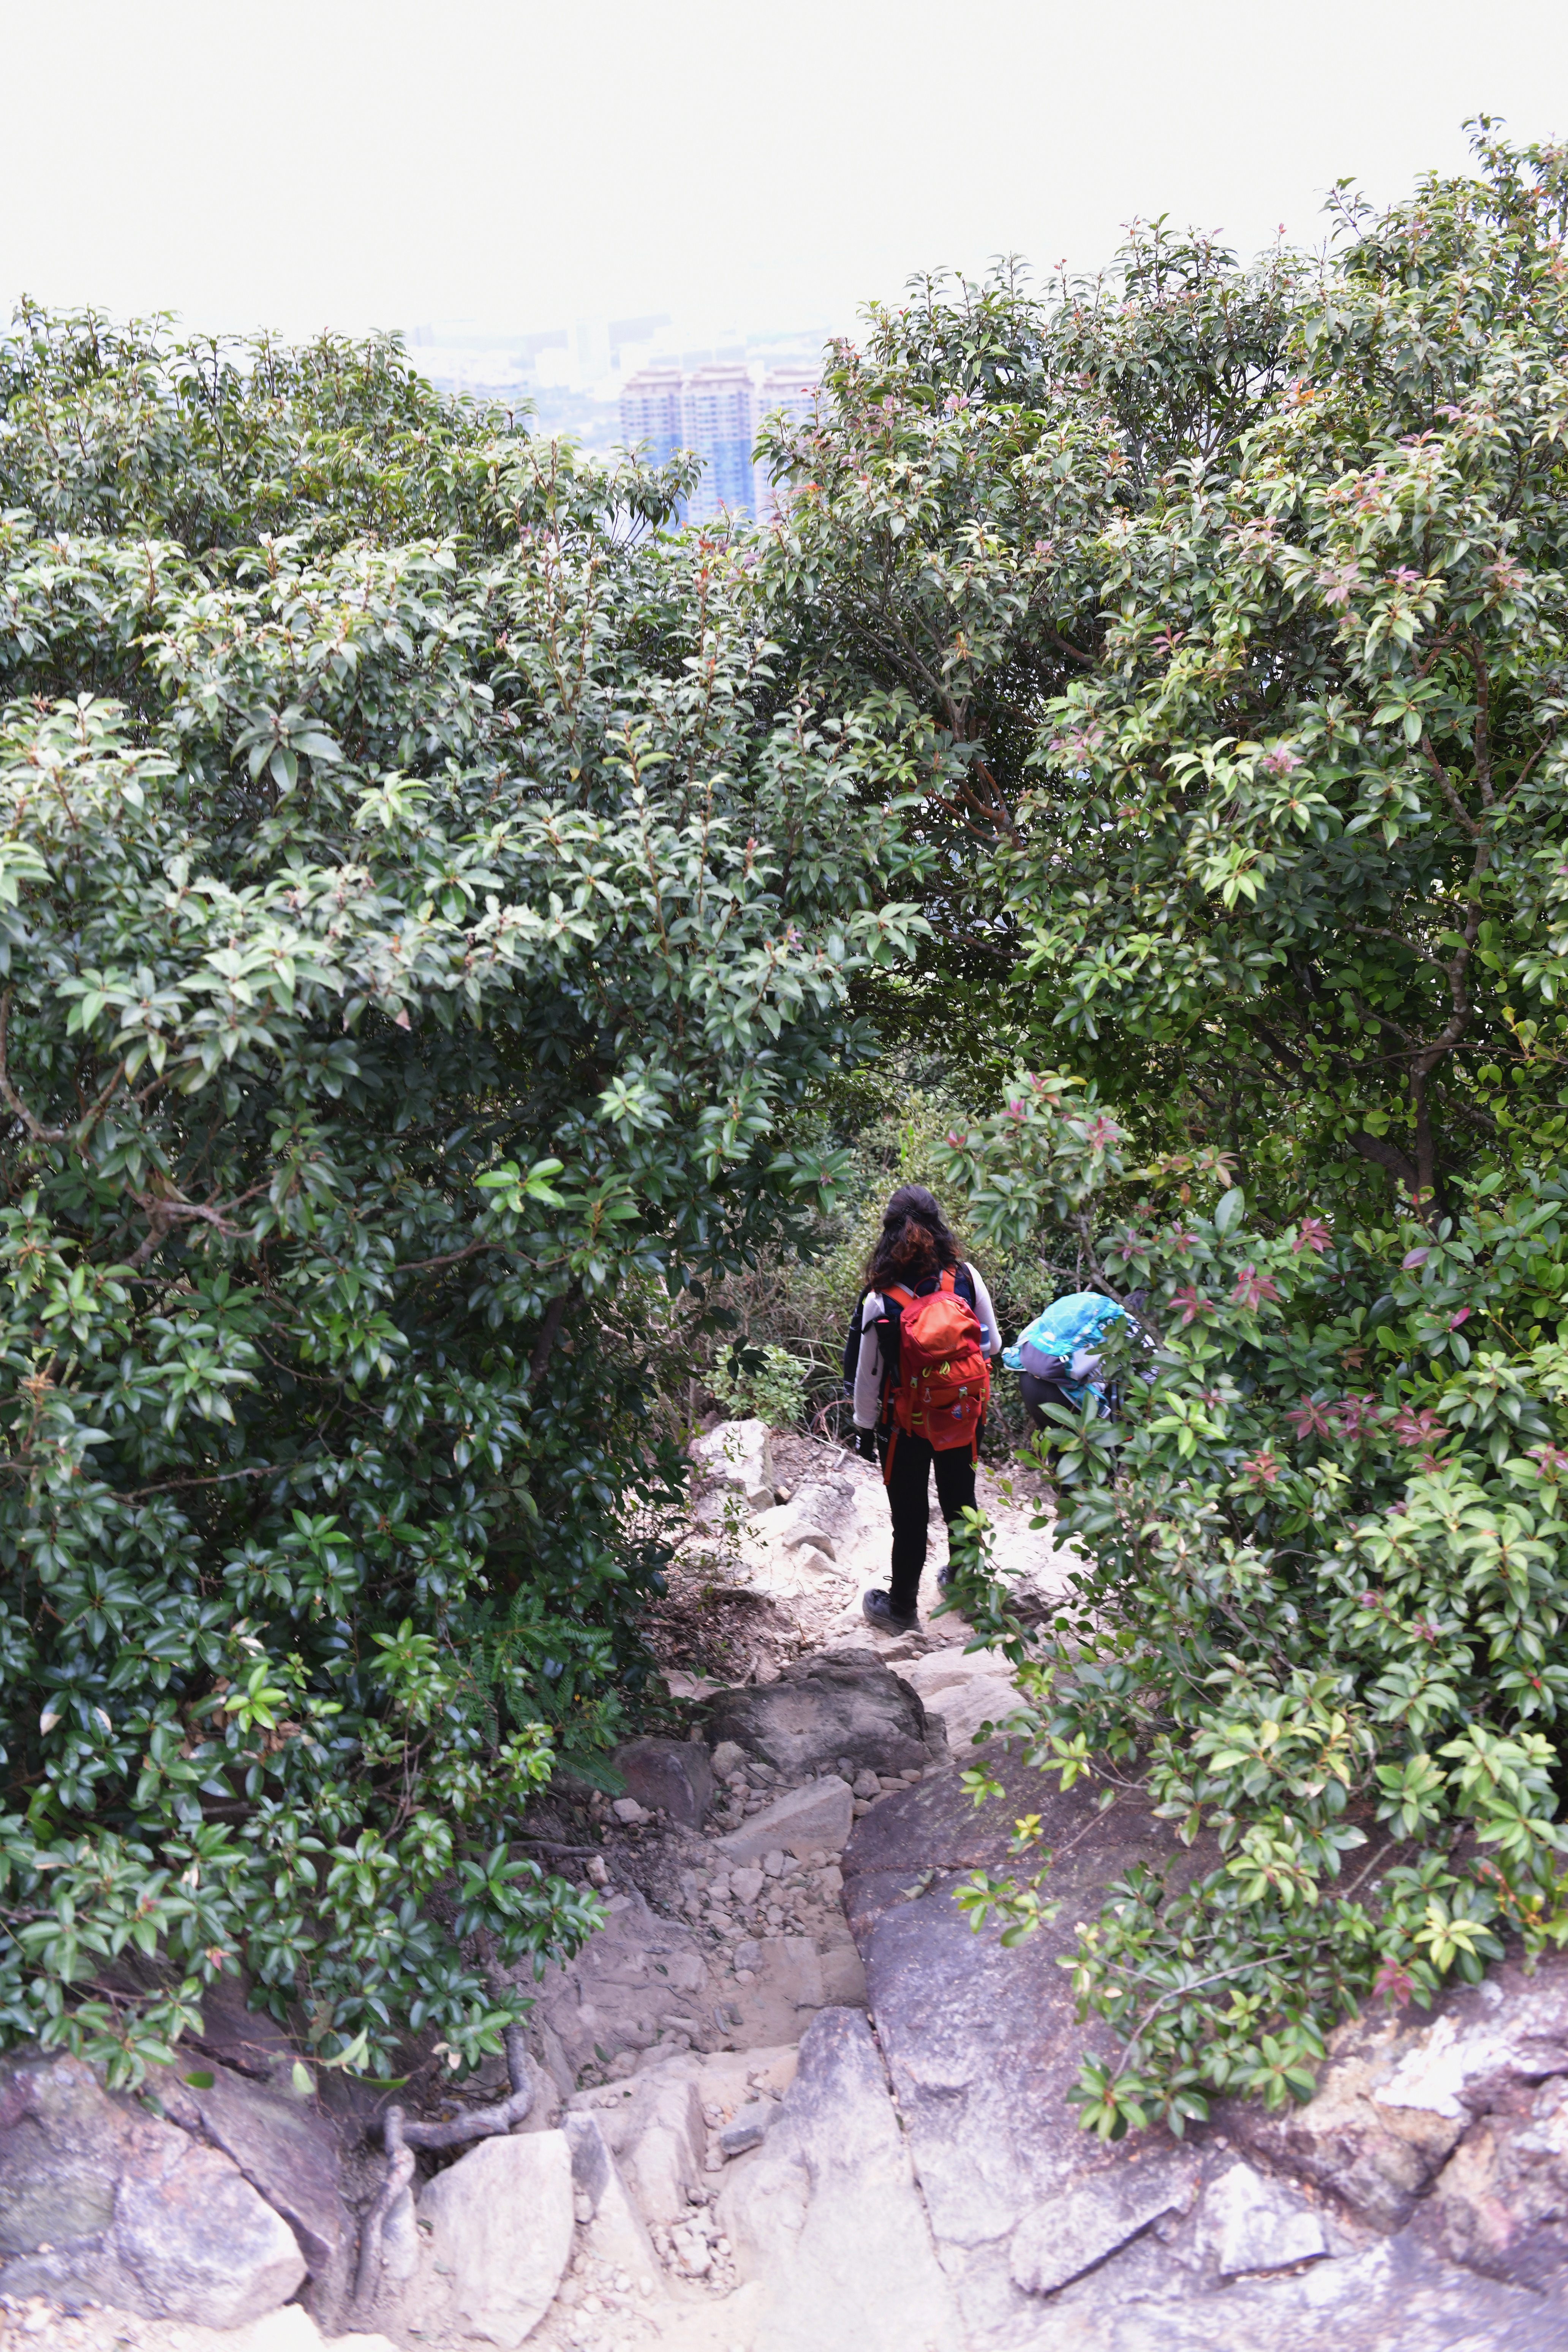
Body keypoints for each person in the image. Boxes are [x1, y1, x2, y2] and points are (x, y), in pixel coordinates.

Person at [842, 1185, 1002, 1634]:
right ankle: (968, 1592)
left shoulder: (880, 1298)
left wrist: (864, 1429)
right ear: (938, 1224)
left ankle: (902, 1609)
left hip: (906, 1424)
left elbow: (868, 1376)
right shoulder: (966, 1277)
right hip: (962, 1415)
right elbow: (992, 1343)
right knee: (962, 1502)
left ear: (888, 1232)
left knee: (910, 1517)